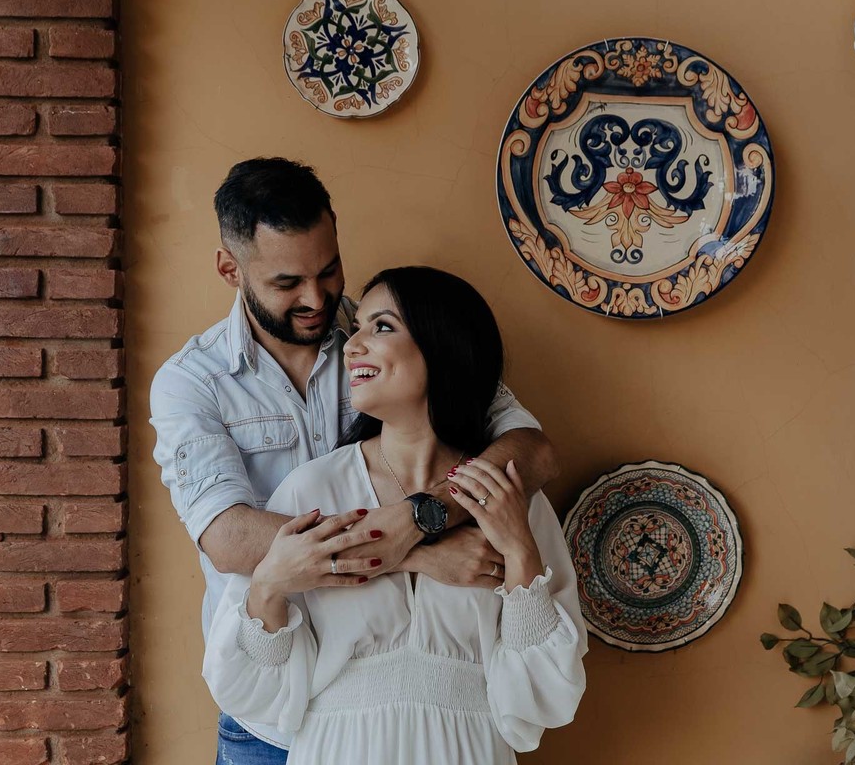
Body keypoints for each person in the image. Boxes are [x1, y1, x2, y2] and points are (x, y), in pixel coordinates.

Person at [149, 158, 560, 763]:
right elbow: (229, 539)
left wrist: (421, 513)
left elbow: (532, 451)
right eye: (287, 283)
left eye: (329, 270)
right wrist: (414, 551)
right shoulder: (193, 382)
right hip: (271, 703)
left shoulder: (385, 335)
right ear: (230, 269)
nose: (316, 298)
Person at [203, 266, 587, 764]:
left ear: (442, 345)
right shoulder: (312, 489)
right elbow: (260, 692)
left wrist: (519, 552)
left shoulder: (508, 497)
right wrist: (268, 584)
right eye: (356, 328)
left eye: (381, 326)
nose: (352, 346)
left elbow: (543, 698)